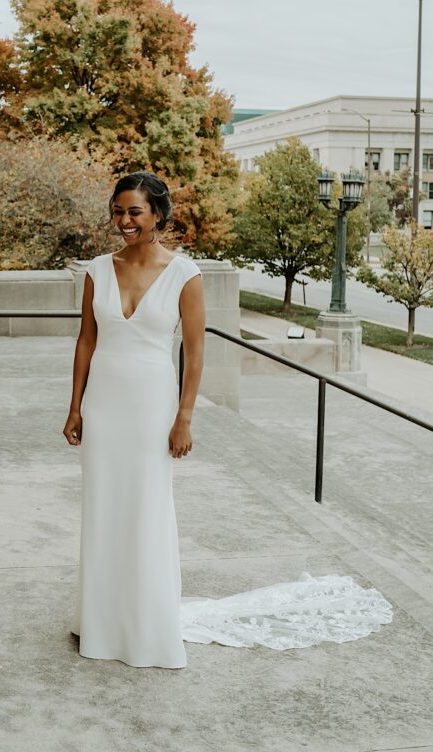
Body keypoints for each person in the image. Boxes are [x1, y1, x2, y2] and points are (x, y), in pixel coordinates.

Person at [63, 171, 393, 669]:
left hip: (152, 404)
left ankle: (146, 625)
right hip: (104, 405)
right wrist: (74, 406)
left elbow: (195, 353)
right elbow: (86, 340)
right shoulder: (97, 270)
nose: (124, 220)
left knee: (146, 508)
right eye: (118, 210)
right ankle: (101, 619)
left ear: (157, 215)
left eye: (134, 211)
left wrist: (184, 418)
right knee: (103, 506)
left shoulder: (184, 274)